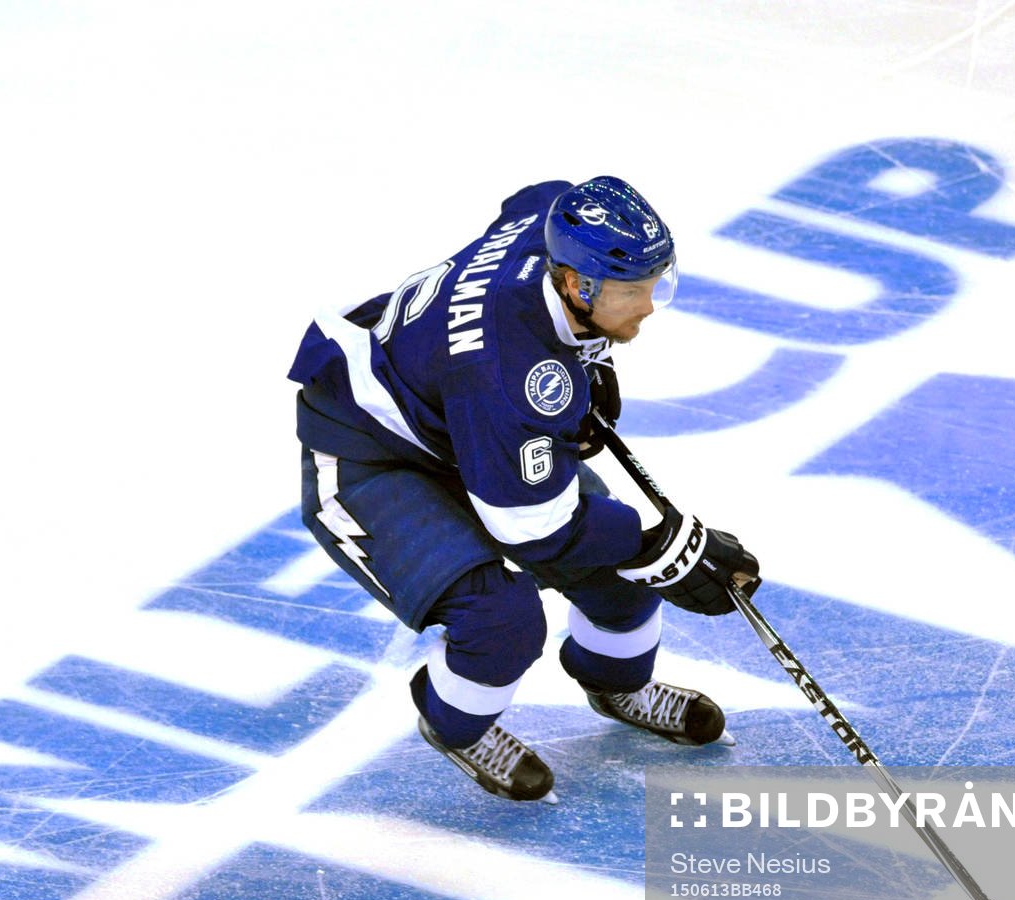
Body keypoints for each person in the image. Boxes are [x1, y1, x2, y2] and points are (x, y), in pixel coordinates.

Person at [287, 176, 761, 803]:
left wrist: (594, 359)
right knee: (500, 618)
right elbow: (534, 527)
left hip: (459, 417)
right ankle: (453, 724)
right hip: (369, 453)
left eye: (657, 281)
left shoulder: (553, 226)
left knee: (617, 575)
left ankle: (614, 683)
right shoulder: (508, 378)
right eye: (630, 291)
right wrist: (662, 543)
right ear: (574, 284)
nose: (648, 304)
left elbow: (538, 194)